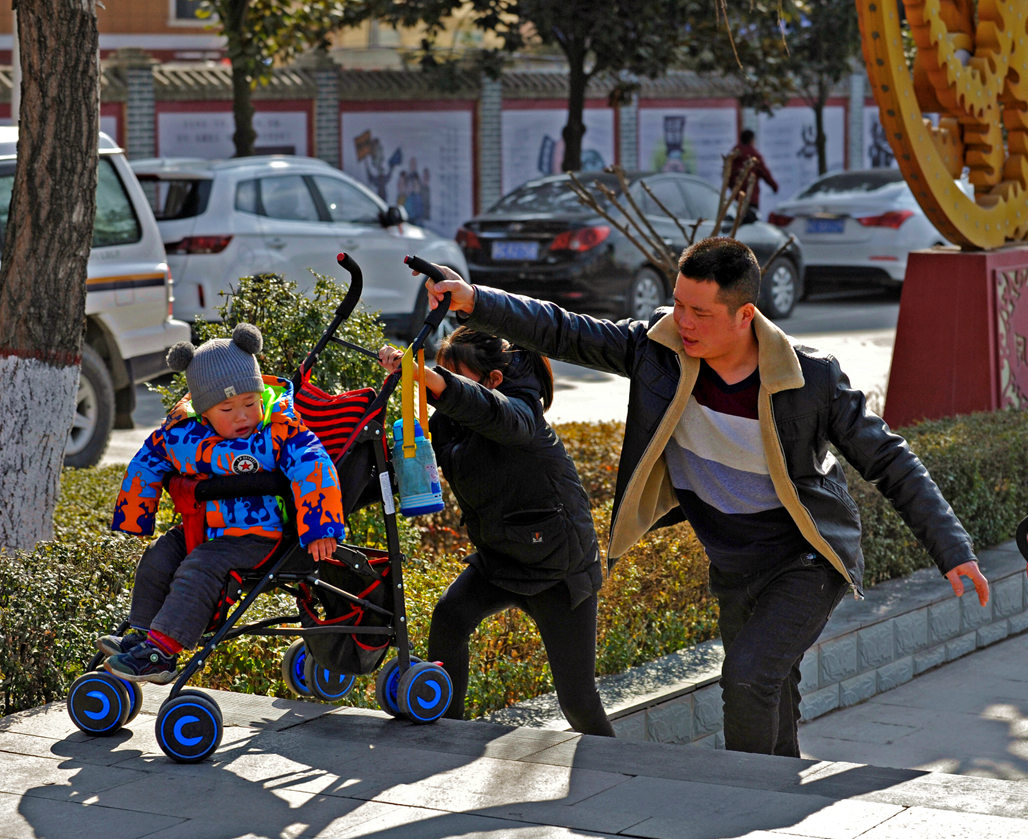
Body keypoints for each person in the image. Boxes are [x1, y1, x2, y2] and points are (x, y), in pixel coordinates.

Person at [414, 237, 989, 757]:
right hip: (736, 562)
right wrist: (473, 300)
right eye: (678, 305)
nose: (681, 322)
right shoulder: (658, 350)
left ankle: (735, 801)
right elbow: (566, 330)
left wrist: (953, 547)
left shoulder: (808, 378)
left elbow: (888, 457)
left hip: (805, 558)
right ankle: (777, 807)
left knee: (747, 677)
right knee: (769, 690)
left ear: (745, 314)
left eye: (699, 313)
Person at [378, 326, 614, 736]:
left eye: (453, 377)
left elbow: (492, 413)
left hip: (558, 571)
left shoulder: (521, 414)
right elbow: (408, 463)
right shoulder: (448, 426)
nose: (441, 387)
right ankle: (446, 730)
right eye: (438, 374)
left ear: (493, 382)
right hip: (499, 559)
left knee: (578, 703)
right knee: (450, 617)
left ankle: (627, 778)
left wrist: (436, 381)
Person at [104, 324, 344, 683]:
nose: (243, 415)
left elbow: (315, 467)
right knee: (159, 555)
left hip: (258, 534)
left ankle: (163, 652)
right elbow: (148, 459)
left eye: (251, 402)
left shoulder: (280, 431)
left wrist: (321, 526)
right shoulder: (185, 434)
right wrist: (135, 513)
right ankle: (142, 633)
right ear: (204, 412)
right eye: (227, 409)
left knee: (199, 565)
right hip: (205, 527)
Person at [727, 129, 779, 216]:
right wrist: (774, 186)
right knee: (751, 224)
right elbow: (764, 173)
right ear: (752, 140)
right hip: (751, 197)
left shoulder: (733, 155)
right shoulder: (754, 155)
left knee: (737, 222)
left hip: (736, 197)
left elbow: (727, 175)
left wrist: (732, 188)